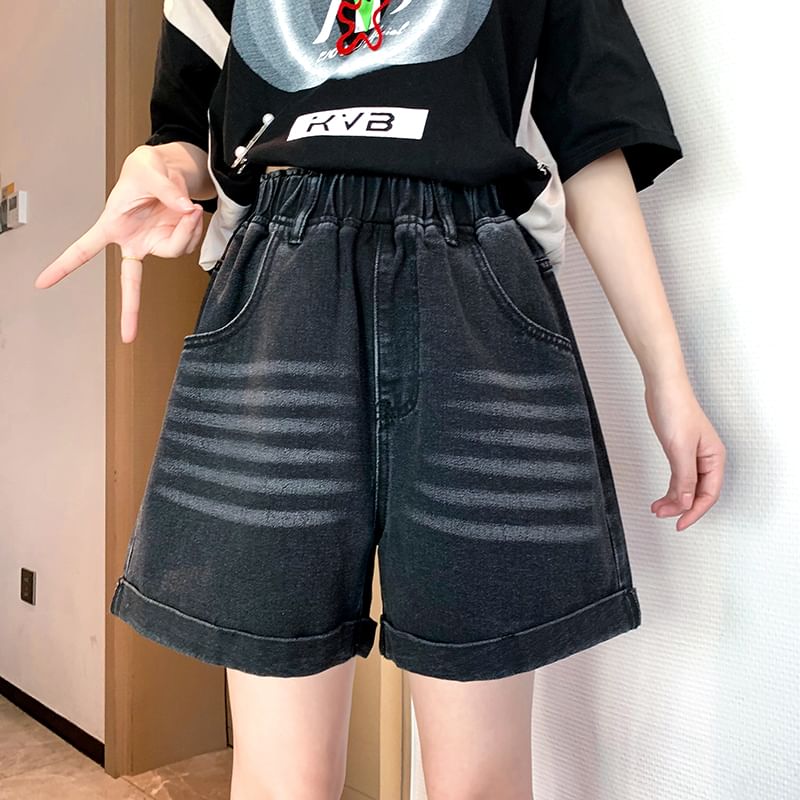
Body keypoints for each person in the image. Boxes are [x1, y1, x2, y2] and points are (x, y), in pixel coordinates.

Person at [35, 1, 726, 798]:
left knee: (479, 781)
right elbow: (191, 127)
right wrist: (161, 164)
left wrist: (667, 376)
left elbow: (591, 135)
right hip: (281, 300)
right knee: (282, 780)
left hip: (476, 303)